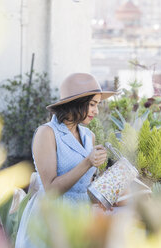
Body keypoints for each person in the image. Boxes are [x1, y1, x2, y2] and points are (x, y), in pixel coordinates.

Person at [15, 73, 115, 248]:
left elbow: (83, 186)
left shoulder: (88, 136)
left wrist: (103, 194)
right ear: (75, 103)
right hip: (52, 219)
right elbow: (51, 189)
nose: (96, 111)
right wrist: (87, 162)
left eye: (97, 105)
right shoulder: (47, 133)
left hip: (81, 218)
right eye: (92, 104)